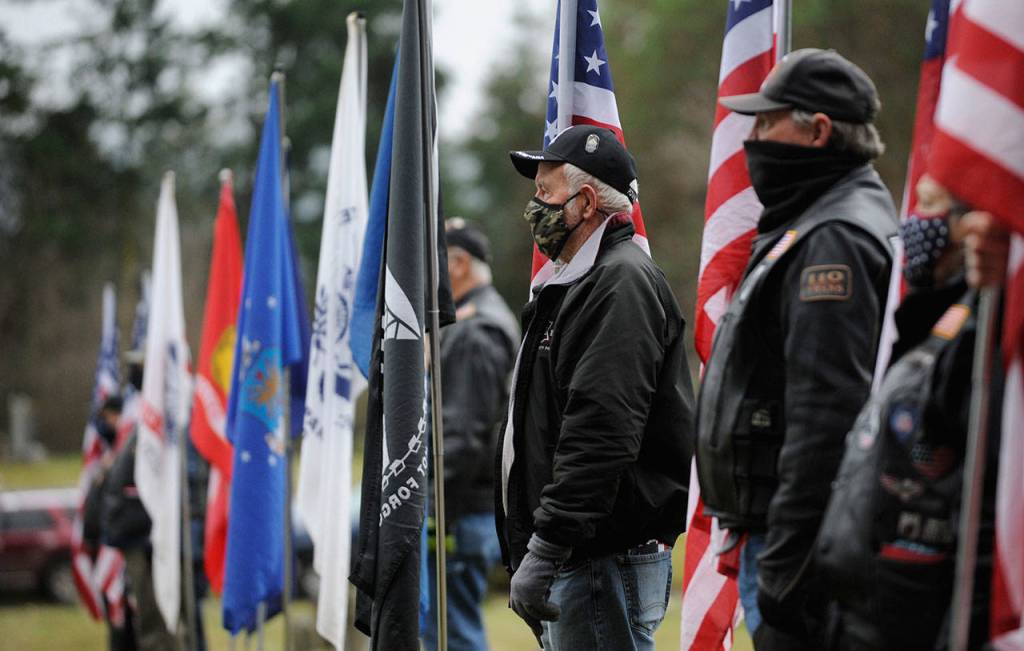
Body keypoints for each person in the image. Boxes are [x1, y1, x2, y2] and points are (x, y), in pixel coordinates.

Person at [694, 48, 899, 649]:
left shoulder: (834, 238)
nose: (752, 137)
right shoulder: (814, 220)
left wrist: (790, 560)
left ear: (818, 130)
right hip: (783, 535)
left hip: (800, 548)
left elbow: (826, 415)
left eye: (767, 120)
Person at [500, 124, 695, 650]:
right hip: (585, 557)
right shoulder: (576, 283)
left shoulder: (620, 283)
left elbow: (602, 428)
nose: (534, 206)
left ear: (585, 202)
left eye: (545, 193)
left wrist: (548, 546)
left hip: (599, 558)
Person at [816, 175, 1003, 650]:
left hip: (925, 616)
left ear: (970, 227)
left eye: (929, 207)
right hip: (871, 611)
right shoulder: (929, 321)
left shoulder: (980, 345)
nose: (914, 224)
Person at [422, 218, 520, 651]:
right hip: (463, 508)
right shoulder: (476, 320)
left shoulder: (475, 332)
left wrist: (424, 501)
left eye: (436, 257)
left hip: (455, 512)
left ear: (458, 264)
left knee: (452, 633)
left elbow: (462, 435)